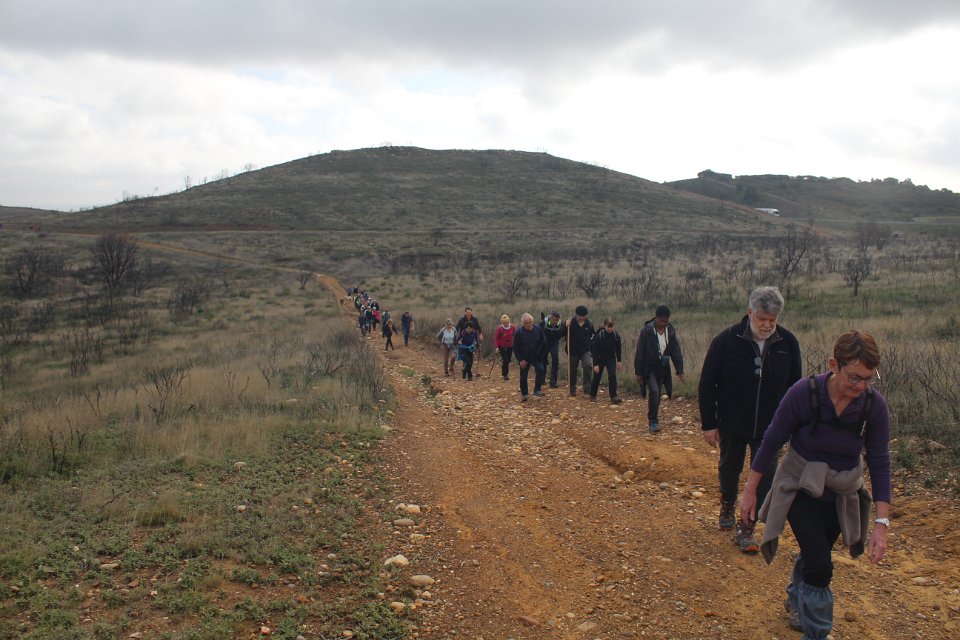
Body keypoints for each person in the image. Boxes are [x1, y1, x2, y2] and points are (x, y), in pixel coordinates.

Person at [740, 330, 889, 639]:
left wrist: (881, 523)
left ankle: (797, 598)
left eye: (868, 379)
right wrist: (751, 490)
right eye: (854, 378)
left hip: (841, 491)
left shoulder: (873, 406)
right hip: (800, 485)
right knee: (821, 565)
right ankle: (816, 632)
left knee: (814, 554)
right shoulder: (803, 394)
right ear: (834, 365)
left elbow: (879, 460)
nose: (861, 387)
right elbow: (772, 440)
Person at [699, 285, 802, 553]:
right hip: (732, 423)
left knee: (765, 477)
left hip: (772, 428)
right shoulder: (726, 340)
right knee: (729, 469)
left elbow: (795, 389)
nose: (767, 325)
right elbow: (707, 383)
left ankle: (746, 527)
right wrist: (709, 424)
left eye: (772, 320)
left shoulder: (788, 343)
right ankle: (727, 502)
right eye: (762, 319)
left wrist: (794, 425)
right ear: (750, 313)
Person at [634, 305, 685, 433]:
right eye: (661, 321)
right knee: (654, 391)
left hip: (663, 368)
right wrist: (638, 372)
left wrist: (679, 370)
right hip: (649, 367)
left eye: (666, 321)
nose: (663, 323)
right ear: (656, 318)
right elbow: (640, 352)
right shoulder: (647, 331)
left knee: (656, 395)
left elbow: (676, 351)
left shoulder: (670, 331)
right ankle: (653, 421)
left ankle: (654, 415)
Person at [512, 313, 547, 401]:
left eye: (530, 322)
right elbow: (515, 347)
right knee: (523, 375)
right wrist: (520, 360)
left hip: (536, 356)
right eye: (526, 323)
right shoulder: (519, 332)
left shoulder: (538, 329)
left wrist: (540, 354)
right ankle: (524, 394)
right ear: (522, 323)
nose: (528, 324)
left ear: (532, 321)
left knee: (541, 369)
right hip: (524, 357)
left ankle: (537, 390)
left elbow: (543, 342)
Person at [589, 317, 623, 404]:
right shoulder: (599, 335)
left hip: (611, 358)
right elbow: (594, 350)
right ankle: (592, 395)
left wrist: (619, 361)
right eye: (608, 327)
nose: (610, 329)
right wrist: (595, 364)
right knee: (597, 376)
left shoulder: (616, 335)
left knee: (612, 375)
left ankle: (614, 396)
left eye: (612, 327)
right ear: (605, 326)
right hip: (599, 358)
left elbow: (618, 349)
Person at [565, 305, 595, 397]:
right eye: (580, 316)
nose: (582, 318)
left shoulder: (589, 324)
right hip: (573, 350)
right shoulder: (570, 323)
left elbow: (593, 336)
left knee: (588, 366)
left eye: (584, 316)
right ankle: (572, 389)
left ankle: (587, 389)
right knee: (573, 369)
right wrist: (565, 326)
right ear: (576, 315)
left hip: (585, 350)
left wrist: (591, 348)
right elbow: (561, 334)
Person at [540, 310, 565, 388]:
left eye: (557, 320)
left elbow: (563, 333)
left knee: (555, 360)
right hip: (544, 342)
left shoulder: (560, 324)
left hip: (554, 342)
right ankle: (541, 379)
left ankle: (553, 382)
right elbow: (538, 331)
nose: (555, 322)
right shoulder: (544, 323)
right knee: (543, 359)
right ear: (550, 318)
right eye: (554, 320)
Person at [494, 314, 516, 381]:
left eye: (506, 322)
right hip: (502, 346)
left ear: (509, 321)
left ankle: (504, 368)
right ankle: (505, 374)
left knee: (508, 360)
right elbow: (496, 338)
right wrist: (496, 347)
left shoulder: (512, 327)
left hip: (510, 345)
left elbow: (515, 335)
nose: (505, 324)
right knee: (505, 359)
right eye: (504, 323)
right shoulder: (500, 328)